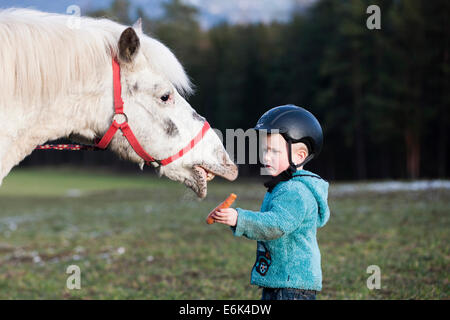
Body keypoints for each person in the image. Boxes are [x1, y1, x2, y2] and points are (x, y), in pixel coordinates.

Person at [211, 105, 330, 300]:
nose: (266, 157)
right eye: (264, 150)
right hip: (283, 283)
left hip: (291, 288)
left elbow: (275, 225)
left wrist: (239, 218)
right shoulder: (284, 186)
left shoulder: (295, 191)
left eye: (274, 151)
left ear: (299, 155)